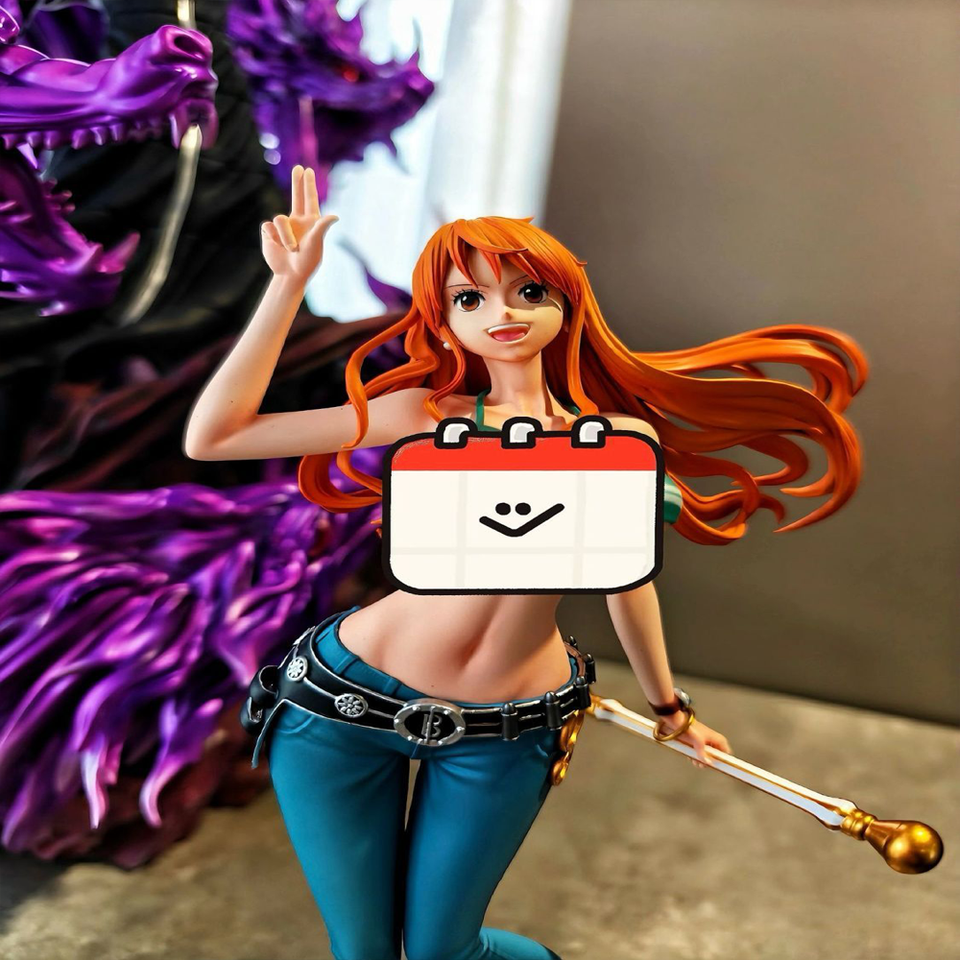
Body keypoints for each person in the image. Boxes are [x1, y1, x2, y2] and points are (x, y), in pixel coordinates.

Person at [184, 165, 866, 960]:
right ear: (443, 322)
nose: (501, 314)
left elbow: (627, 579)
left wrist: (670, 707)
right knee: (363, 952)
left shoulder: (620, 442)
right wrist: (287, 288)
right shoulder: (422, 415)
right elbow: (217, 437)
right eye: (469, 299)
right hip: (341, 706)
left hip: (508, 726)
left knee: (444, 952)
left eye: (526, 292)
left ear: (565, 302)